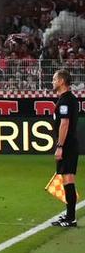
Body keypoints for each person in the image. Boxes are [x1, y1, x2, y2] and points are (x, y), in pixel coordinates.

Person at [52, 69, 78, 229]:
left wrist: (60, 146)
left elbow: (65, 123)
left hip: (67, 145)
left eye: (55, 79)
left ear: (62, 81)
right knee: (66, 179)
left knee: (68, 179)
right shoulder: (68, 99)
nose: (53, 82)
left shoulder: (66, 101)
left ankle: (71, 218)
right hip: (69, 144)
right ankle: (69, 215)